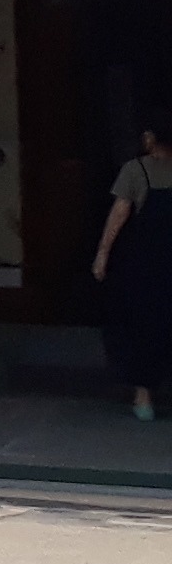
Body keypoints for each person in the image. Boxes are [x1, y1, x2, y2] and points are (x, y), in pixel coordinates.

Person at [93, 123, 172, 418]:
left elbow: (120, 213)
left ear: (150, 138)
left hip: (147, 263)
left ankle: (143, 397)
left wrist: (102, 253)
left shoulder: (136, 169)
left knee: (144, 324)